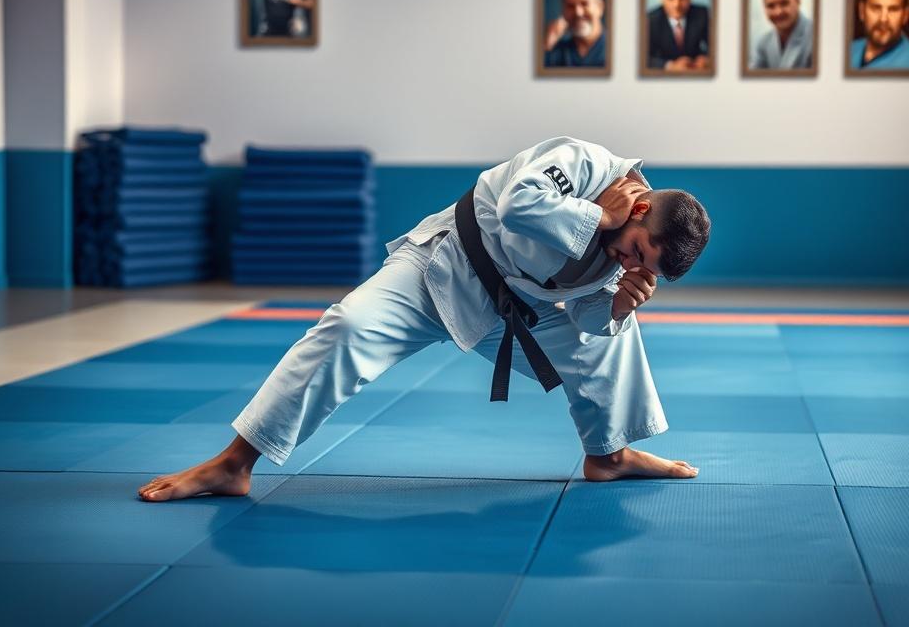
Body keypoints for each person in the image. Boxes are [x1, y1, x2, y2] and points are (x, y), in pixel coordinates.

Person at [138, 136, 711, 502]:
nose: (626, 261)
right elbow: (518, 204)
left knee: (615, 335)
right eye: (635, 248)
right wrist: (594, 213)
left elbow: (583, 312)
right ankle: (234, 464)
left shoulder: (621, 253)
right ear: (638, 208)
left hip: (511, 308)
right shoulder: (585, 165)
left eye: (642, 264)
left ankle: (608, 456)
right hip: (445, 265)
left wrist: (613, 304)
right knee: (347, 328)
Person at [849, 0, 909, 70]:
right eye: (876, 8)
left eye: (893, 9)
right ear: (862, 11)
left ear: (905, 15)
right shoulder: (848, 49)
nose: (883, 19)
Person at [647, 0, 711, 72]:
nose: (676, 5)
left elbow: (718, 46)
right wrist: (669, 66)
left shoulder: (702, 14)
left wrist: (708, 59)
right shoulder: (650, 20)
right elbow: (643, 57)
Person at [750, 0, 814, 70]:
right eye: (771, 6)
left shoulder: (816, 36)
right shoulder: (763, 43)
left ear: (798, 2)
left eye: (784, 3)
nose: (778, 12)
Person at [543, 0, 608, 67]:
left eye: (585, 3)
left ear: (600, 7)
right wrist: (547, 45)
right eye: (570, 6)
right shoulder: (554, 51)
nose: (578, 13)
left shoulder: (617, 48)